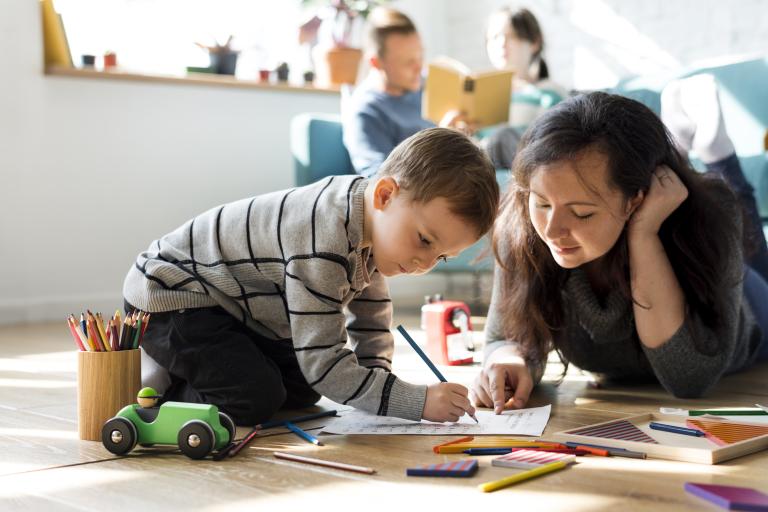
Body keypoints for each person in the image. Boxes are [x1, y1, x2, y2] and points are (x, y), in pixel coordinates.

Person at [123, 127, 499, 426]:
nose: (425, 263)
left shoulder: (372, 229)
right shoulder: (324, 235)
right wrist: (414, 401)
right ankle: (159, 387)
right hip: (173, 294)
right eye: (425, 240)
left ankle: (192, 367)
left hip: (233, 308)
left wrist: (379, 385)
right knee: (252, 399)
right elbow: (325, 365)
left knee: (302, 390)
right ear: (385, 195)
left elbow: (370, 322)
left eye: (441, 257)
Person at [470, 91, 768, 414]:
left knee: (750, 238)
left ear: (636, 200)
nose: (552, 231)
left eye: (582, 213)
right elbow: (503, 337)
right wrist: (509, 360)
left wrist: (643, 233)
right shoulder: (522, 223)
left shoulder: (706, 219)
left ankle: (720, 155)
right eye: (542, 203)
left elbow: (689, 378)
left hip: (752, 305)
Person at [342, 7, 467, 177]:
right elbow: (380, 180)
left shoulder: (424, 86)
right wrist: (442, 141)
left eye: (420, 57)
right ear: (376, 63)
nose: (419, 68)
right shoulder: (365, 111)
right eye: (408, 62)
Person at [481, 7, 569, 170]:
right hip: (482, 166)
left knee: (502, 137)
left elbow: (555, 146)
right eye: (494, 37)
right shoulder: (480, 97)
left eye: (511, 36)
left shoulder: (550, 92)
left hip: (531, 164)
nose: (501, 44)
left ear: (535, 42)